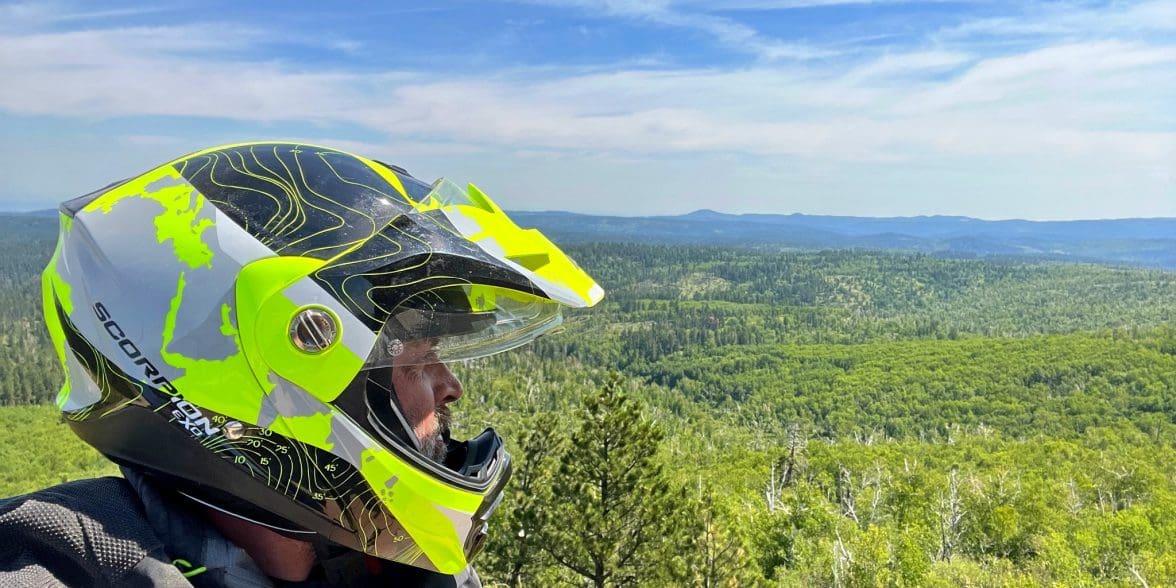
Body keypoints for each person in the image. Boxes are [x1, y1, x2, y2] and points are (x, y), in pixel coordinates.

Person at [0, 142, 603, 586]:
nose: (452, 387)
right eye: (418, 360)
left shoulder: (392, 564)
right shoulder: (60, 563)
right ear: (276, 383)